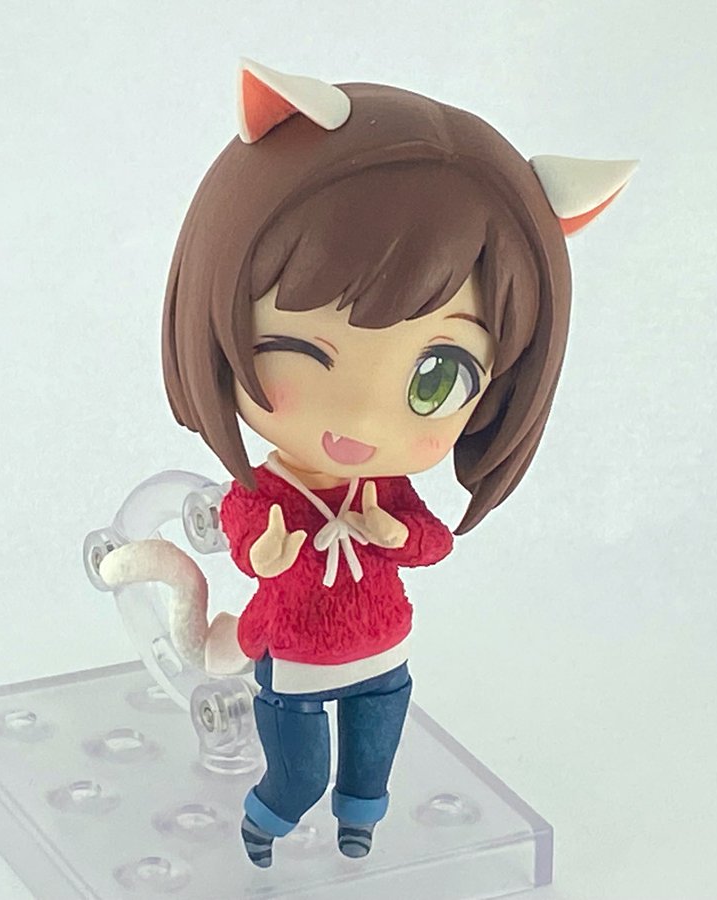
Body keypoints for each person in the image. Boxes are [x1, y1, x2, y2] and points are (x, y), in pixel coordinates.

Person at [160, 58, 635, 867]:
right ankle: (268, 820)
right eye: (299, 351)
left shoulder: (389, 489)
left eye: (435, 379)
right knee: (298, 772)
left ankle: (360, 819)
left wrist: (392, 531)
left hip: (383, 651)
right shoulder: (266, 491)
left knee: (372, 761)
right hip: (296, 660)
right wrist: (265, 555)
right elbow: (246, 539)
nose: (360, 421)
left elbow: (431, 541)